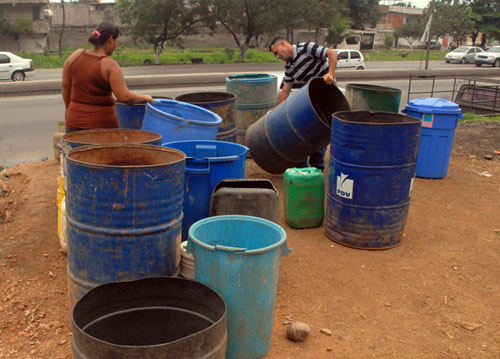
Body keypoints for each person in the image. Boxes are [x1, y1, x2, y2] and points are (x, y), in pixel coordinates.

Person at [62, 22, 153, 133]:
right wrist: (145, 98)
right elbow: (124, 97)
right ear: (111, 39)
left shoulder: (75, 56)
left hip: (73, 123)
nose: (116, 45)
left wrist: (70, 109)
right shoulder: (110, 65)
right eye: (116, 41)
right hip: (102, 128)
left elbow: (65, 86)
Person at [269, 37, 338, 171]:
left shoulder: (306, 48)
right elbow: (285, 90)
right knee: (302, 133)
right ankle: (302, 169)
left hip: (325, 98)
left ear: (283, 44)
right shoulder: (289, 66)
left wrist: (330, 73)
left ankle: (317, 169)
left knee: (319, 134)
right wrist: (275, 113)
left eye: (277, 52)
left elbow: (332, 53)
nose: (277, 56)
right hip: (308, 104)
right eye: (275, 55)